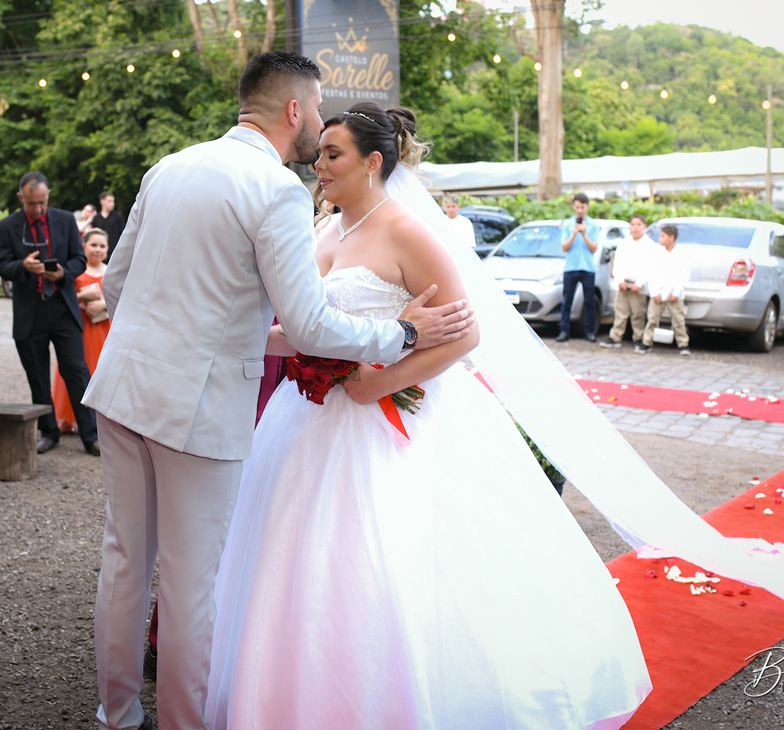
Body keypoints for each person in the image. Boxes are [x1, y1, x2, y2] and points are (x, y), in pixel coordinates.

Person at [206, 103, 649, 729]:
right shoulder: (323, 230)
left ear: (374, 161)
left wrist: (378, 381)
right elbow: (305, 329)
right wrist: (242, 337)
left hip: (393, 422)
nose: (319, 165)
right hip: (307, 418)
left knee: (386, 563)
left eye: (333, 155)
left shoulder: (408, 230)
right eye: (321, 154)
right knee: (294, 565)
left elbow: (464, 336)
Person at [82, 52, 474, 730]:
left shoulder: (168, 166)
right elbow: (309, 322)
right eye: (317, 110)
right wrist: (403, 336)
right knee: (189, 581)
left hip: (120, 389)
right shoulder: (277, 190)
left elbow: (115, 286)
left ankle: (116, 714)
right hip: (194, 411)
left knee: (123, 560)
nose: (318, 125)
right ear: (294, 111)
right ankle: (183, 723)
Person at [0, 171, 99, 456]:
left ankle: (91, 436)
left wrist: (63, 273)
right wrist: (23, 267)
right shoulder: (7, 226)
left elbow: (79, 259)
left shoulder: (65, 220)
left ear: (48, 195)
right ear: (21, 198)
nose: (38, 209)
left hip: (63, 307)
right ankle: (48, 432)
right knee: (37, 375)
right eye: (32, 204)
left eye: (42, 202)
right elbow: (3, 266)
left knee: (77, 371)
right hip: (30, 311)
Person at [52, 227, 110, 434]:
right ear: (83, 246)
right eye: (93, 245)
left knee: (102, 372)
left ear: (108, 248)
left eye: (102, 246)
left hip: (105, 330)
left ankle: (102, 423)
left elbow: (126, 301)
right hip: (81, 329)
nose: (97, 250)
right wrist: (82, 300)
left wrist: (104, 305)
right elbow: (63, 300)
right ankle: (70, 417)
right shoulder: (76, 271)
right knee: (77, 370)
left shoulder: (111, 272)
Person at [600, 213, 657, 350]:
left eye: (639, 225)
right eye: (633, 224)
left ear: (645, 226)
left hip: (639, 285)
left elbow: (649, 266)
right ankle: (615, 337)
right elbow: (617, 263)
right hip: (624, 283)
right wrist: (620, 280)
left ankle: (638, 338)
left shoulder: (649, 245)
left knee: (638, 314)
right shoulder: (624, 243)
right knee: (620, 312)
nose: (636, 228)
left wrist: (640, 283)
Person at [640, 223, 691, 355]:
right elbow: (651, 273)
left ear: (671, 238)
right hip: (658, 293)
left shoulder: (681, 254)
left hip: (674, 294)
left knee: (678, 320)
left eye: (662, 236)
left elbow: (683, 275)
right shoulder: (657, 253)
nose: (659, 238)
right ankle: (646, 342)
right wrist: (654, 292)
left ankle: (683, 344)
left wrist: (676, 292)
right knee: (652, 318)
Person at [556, 192, 601, 343]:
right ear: (573, 207)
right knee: (567, 300)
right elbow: (564, 247)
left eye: (582, 207)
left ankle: (589, 332)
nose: (580, 210)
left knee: (589, 301)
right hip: (571, 267)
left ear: (587, 206)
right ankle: (564, 331)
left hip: (588, 267)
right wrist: (574, 234)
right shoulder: (568, 224)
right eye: (577, 207)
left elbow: (594, 248)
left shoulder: (593, 225)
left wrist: (585, 234)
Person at [92, 191, 125, 261]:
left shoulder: (117, 217)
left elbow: (123, 234)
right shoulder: (96, 218)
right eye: (109, 201)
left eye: (113, 201)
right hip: (99, 254)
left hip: (114, 253)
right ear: (102, 202)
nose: (112, 204)